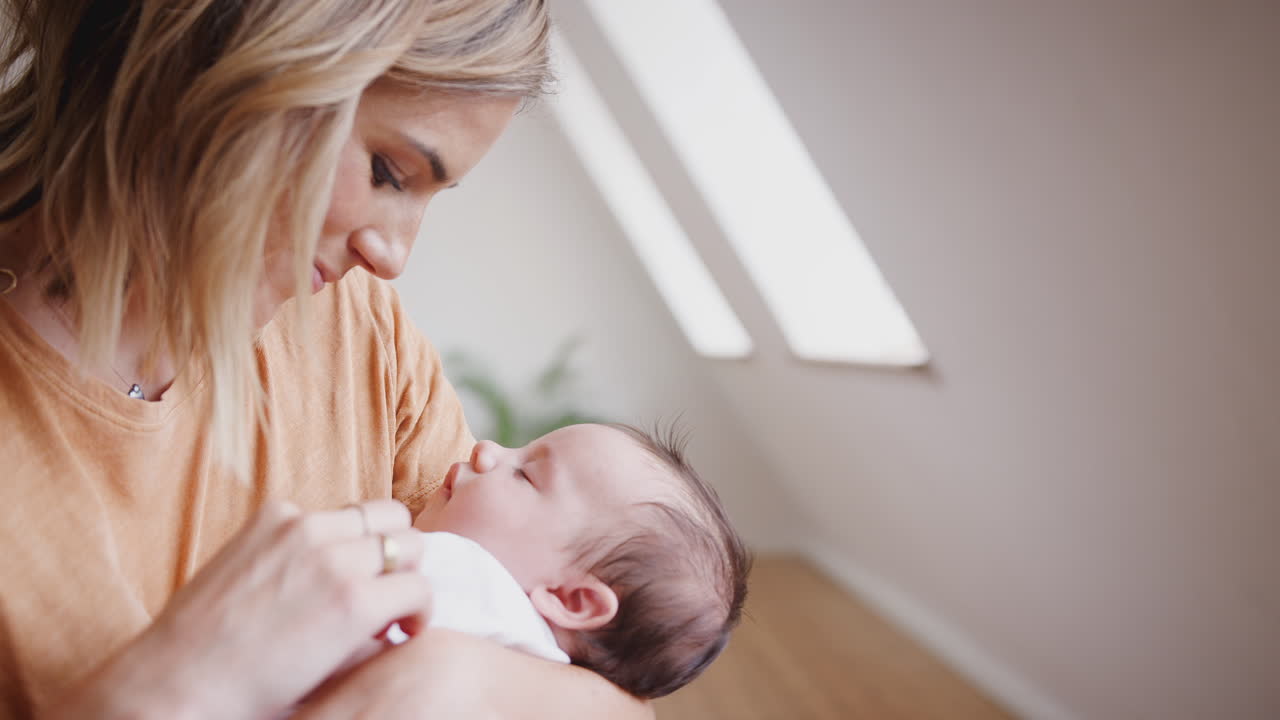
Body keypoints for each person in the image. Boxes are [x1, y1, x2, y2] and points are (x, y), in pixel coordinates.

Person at [0, 0, 653, 718]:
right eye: (388, 172)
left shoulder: (359, 331)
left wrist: (446, 676)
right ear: (225, 57)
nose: (392, 256)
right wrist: (180, 685)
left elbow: (617, 702)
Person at [404, 423, 751, 699]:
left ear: (571, 599)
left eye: (525, 474)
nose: (486, 449)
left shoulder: (465, 580)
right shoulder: (533, 681)